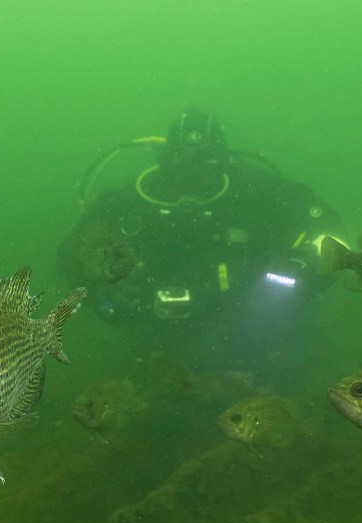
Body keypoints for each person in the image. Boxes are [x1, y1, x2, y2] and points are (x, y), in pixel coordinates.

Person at [59, 108, 345, 375]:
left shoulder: (259, 193)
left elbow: (331, 235)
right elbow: (70, 257)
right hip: (161, 346)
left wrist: (300, 270)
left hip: (264, 334)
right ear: (164, 163)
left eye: (203, 172)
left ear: (223, 166)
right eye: (180, 171)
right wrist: (104, 297)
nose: (190, 184)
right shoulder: (128, 204)